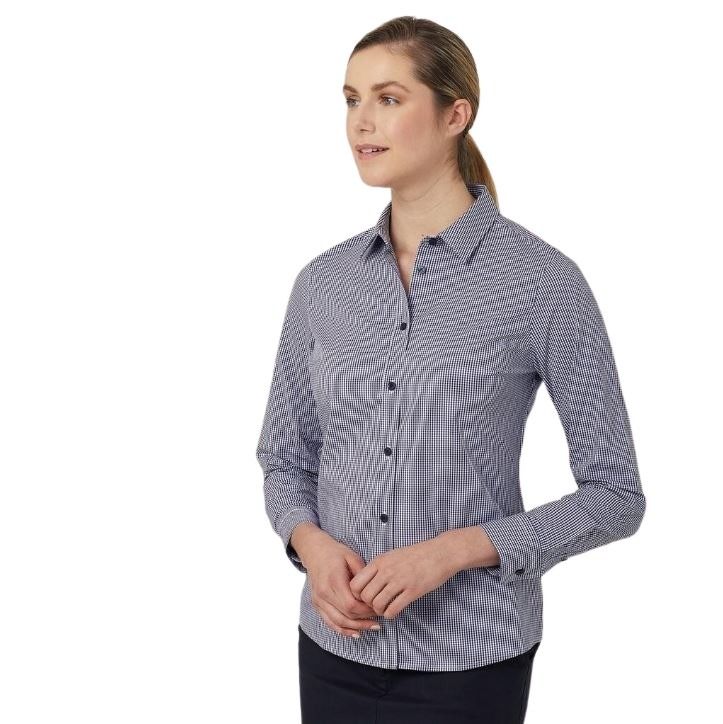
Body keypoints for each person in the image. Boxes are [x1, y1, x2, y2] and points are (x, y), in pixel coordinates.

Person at [255, 15, 645, 724]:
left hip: (472, 660)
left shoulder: (542, 283)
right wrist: (308, 545)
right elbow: (284, 458)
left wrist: (456, 551)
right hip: (332, 648)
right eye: (351, 99)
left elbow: (615, 495)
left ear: (455, 115)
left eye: (389, 98)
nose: (361, 122)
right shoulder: (322, 283)